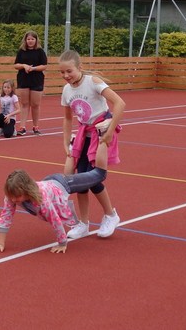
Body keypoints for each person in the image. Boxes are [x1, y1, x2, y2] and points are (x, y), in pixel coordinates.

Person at [59, 49, 125, 239]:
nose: (66, 75)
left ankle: (111, 215)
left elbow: (120, 103)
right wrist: (65, 141)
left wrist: (110, 132)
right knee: (80, 181)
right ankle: (83, 223)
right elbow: (67, 118)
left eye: (69, 71)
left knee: (93, 178)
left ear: (79, 67)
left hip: (100, 133)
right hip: (84, 135)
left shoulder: (93, 82)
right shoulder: (66, 90)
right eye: (62, 72)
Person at [0, 165, 108, 254]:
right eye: (11, 196)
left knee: (97, 175)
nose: (13, 200)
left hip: (62, 183)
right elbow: (6, 216)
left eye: (17, 197)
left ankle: (111, 214)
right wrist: (0, 243)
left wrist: (62, 243)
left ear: (26, 191)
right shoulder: (11, 196)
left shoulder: (41, 200)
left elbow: (55, 220)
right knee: (90, 179)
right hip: (48, 183)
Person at [13, 30, 48, 135]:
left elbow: (44, 66)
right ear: (25, 40)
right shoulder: (21, 51)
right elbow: (16, 65)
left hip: (36, 80)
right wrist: (24, 66)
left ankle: (35, 126)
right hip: (23, 79)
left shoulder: (40, 51)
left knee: (35, 104)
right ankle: (22, 127)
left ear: (36, 40)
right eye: (28, 39)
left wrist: (33, 68)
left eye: (32, 39)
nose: (30, 41)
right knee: (24, 104)